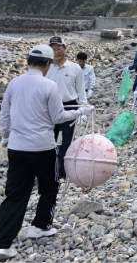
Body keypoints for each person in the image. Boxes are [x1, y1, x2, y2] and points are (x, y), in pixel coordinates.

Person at [0, 45, 94, 261]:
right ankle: (40, 225)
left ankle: (1, 244)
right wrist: (81, 111)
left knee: (15, 194)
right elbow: (58, 117)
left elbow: (5, 114)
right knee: (49, 186)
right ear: (47, 64)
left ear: (28, 61)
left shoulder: (14, 83)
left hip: (17, 148)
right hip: (43, 147)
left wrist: (5, 137)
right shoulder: (49, 85)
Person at [46, 36, 87, 180]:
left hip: (69, 105)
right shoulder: (47, 67)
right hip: (50, 106)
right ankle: (50, 169)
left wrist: (82, 111)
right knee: (49, 139)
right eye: (53, 49)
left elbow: (81, 91)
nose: (56, 51)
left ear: (65, 48)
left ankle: (64, 171)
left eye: (59, 48)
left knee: (67, 141)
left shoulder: (75, 68)